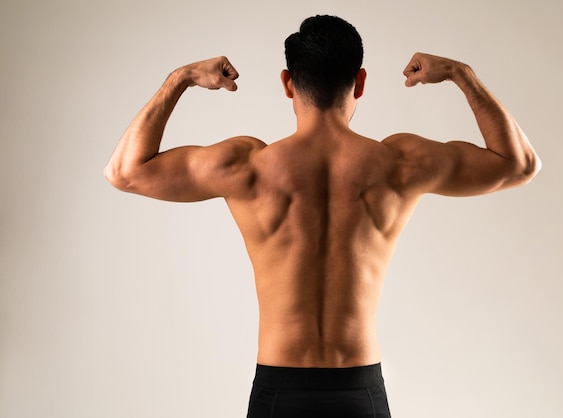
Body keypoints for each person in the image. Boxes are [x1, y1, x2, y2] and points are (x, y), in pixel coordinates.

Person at [105, 14, 540, 418]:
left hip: (279, 390)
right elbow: (518, 164)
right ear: (360, 82)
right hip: (359, 389)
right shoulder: (400, 162)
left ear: (288, 84)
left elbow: (125, 172)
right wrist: (463, 76)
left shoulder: (247, 167)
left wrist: (178, 80)